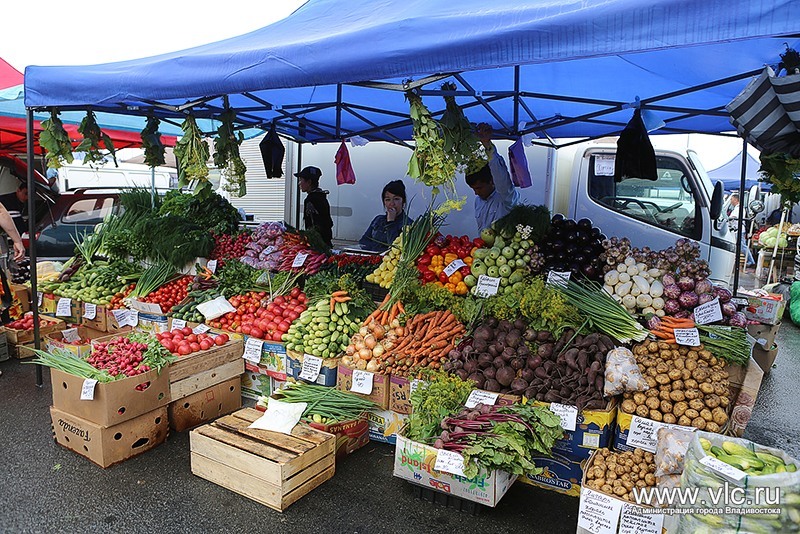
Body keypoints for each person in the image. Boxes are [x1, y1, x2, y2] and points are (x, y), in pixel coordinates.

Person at [465, 123, 520, 232]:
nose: (476, 193)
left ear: (492, 181)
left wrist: (487, 145)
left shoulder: (506, 198)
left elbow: (501, 177)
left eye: (479, 188)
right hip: (483, 248)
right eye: (474, 189)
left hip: (503, 248)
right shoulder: (478, 201)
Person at [359, 180, 412, 252]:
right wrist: (376, 250)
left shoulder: (408, 224)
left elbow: (396, 249)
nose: (392, 203)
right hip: (374, 259)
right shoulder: (378, 220)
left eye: (396, 199)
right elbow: (363, 241)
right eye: (388, 199)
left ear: (403, 201)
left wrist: (390, 222)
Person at [294, 166, 333, 247]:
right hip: (325, 242)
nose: (299, 183)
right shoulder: (321, 196)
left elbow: (314, 226)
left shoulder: (311, 200)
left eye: (301, 180)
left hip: (318, 244)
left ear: (309, 182)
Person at [727, 192, 756, 268]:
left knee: (742, 246)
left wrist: (728, 219)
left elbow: (733, 217)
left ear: (736, 200)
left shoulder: (739, 209)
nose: (731, 201)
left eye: (732, 199)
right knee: (741, 246)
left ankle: (751, 261)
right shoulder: (738, 208)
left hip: (738, 230)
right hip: (737, 229)